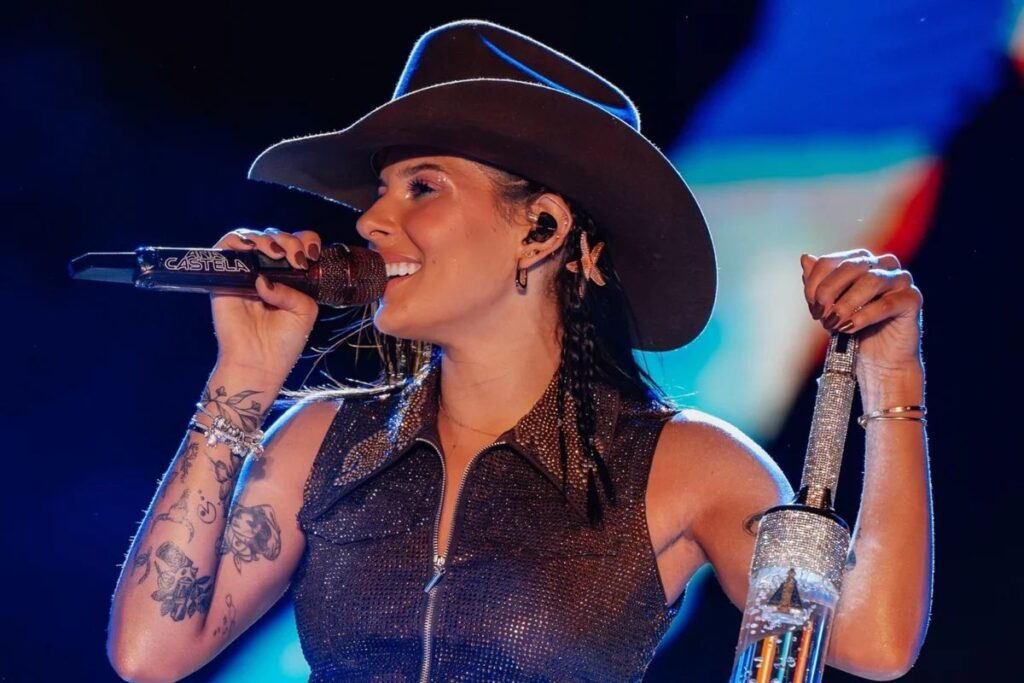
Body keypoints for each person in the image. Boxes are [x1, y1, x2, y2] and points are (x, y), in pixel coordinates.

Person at [106, 19, 932, 683]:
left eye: (421, 187)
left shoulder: (681, 464)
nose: (371, 221)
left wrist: (892, 375)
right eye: (381, 190)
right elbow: (150, 652)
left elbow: (871, 640)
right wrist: (245, 375)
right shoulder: (323, 441)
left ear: (541, 228)